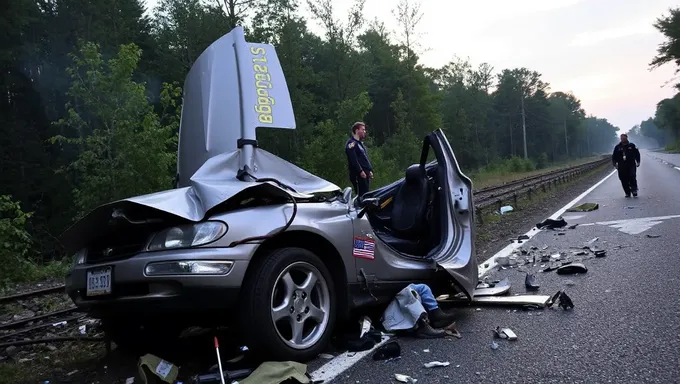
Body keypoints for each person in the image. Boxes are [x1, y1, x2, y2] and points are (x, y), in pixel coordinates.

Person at [345, 122, 373, 196]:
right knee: (361, 195)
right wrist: (360, 171)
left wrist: (369, 170)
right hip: (358, 175)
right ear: (357, 130)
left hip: (365, 174)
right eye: (363, 130)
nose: (364, 132)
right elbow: (353, 159)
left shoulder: (360, 144)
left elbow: (364, 159)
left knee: (366, 194)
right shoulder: (351, 143)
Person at [612, 133, 641, 197]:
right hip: (621, 166)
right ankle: (627, 192)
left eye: (624, 138)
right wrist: (615, 164)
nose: (623, 139)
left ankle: (634, 190)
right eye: (621, 138)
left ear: (627, 138)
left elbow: (637, 154)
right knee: (623, 179)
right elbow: (614, 156)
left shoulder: (632, 145)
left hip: (631, 164)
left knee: (632, 176)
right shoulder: (617, 147)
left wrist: (638, 161)